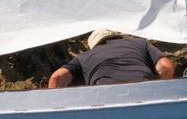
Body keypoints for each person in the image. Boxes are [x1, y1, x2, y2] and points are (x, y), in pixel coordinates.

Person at [47, 30, 175, 88]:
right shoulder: (140, 43)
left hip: (104, 96)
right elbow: (165, 67)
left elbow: (56, 78)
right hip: (142, 89)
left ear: (94, 45)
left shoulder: (84, 56)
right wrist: (155, 89)